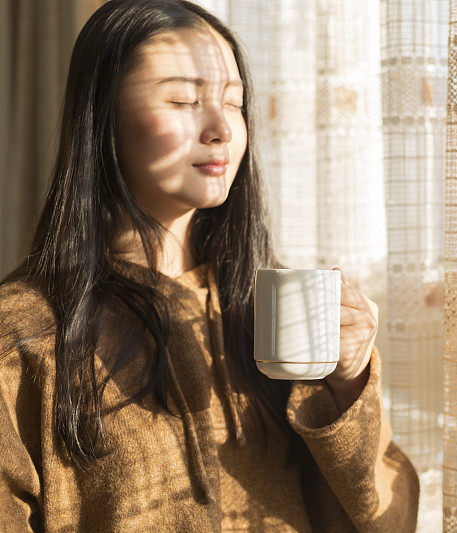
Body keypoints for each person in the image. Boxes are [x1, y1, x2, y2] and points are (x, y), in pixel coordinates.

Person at [0, 0, 420, 531]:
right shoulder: (23, 332)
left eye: (235, 102)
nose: (222, 127)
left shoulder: (267, 311)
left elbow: (391, 519)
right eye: (183, 100)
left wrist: (347, 386)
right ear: (102, 117)